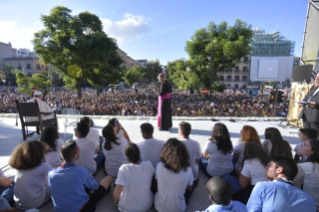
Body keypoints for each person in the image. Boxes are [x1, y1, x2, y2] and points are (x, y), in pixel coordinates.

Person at [48, 140, 113, 212]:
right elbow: (95, 186)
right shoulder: (82, 172)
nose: (80, 150)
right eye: (78, 149)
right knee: (109, 178)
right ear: (75, 156)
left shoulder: (51, 173)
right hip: (82, 209)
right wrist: (93, 180)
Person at [246, 156, 316, 212]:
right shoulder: (309, 198)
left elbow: (251, 210)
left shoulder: (262, 187)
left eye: (270, 165)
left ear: (279, 170)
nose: (266, 167)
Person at [9, 140, 52, 210]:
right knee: (52, 184)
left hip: (19, 204)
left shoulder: (19, 166)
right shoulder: (42, 166)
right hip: (34, 203)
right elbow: (56, 175)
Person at [155, 138, 193, 212]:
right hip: (179, 209)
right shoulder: (188, 169)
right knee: (193, 184)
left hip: (159, 207)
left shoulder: (159, 166)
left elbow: (156, 182)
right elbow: (190, 188)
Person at [113, 143, 154, 212]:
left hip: (126, 208)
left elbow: (116, 195)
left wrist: (116, 200)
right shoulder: (149, 164)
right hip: (145, 206)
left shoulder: (124, 168)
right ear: (139, 152)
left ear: (126, 156)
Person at [293, 138, 319, 211]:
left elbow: (294, 188)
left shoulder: (304, 167)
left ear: (313, 152)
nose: (301, 145)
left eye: (305, 145)